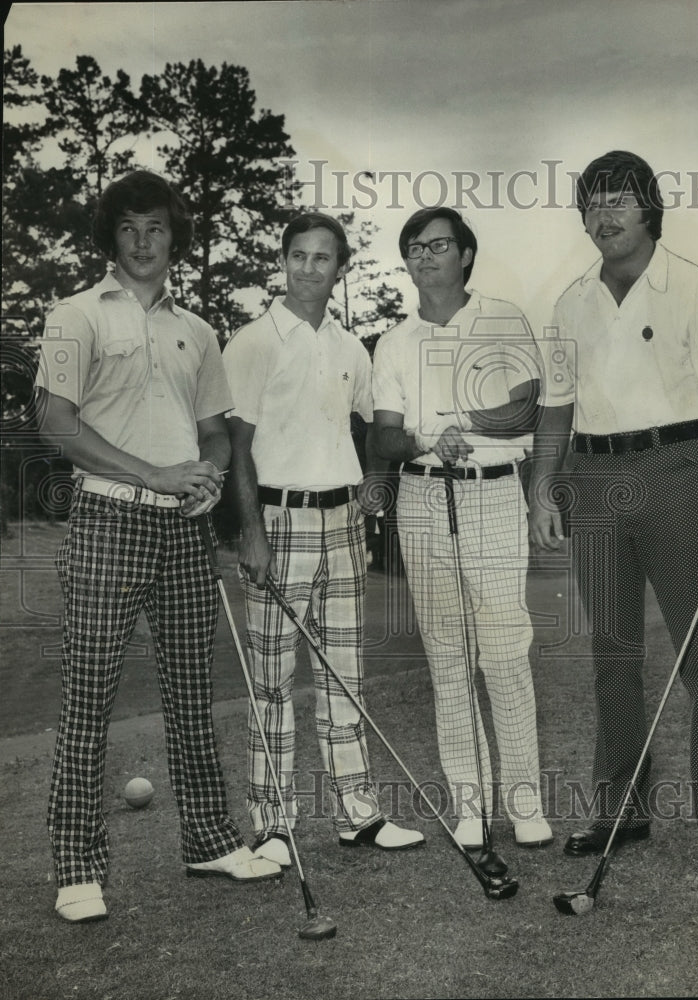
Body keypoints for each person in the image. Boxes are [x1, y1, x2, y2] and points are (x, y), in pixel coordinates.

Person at [35, 170, 281, 924]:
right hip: (109, 518)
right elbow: (55, 421)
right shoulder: (73, 315)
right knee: (90, 699)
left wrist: (205, 475)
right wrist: (156, 474)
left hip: (182, 528)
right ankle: (78, 866)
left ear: (176, 237)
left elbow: (212, 427)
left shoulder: (197, 330)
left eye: (158, 229)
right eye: (130, 228)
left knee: (189, 697)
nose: (144, 242)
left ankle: (208, 841)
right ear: (112, 236)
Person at [529, 150, 698, 869]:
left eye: (619, 200)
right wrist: (541, 486)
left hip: (677, 469)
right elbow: (556, 407)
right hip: (593, 478)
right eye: (592, 202)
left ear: (648, 208)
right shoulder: (569, 301)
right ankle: (620, 812)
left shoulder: (688, 285)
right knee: (612, 656)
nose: (604, 213)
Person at [221, 212, 424, 867]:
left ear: (340, 269)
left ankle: (358, 817)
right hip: (276, 523)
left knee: (344, 676)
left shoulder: (348, 347)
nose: (310, 268)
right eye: (299, 256)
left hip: (341, 524)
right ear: (283, 262)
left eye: (322, 258)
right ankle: (274, 824)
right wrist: (250, 533)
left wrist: (375, 482)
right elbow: (239, 450)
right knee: (274, 683)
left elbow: (374, 428)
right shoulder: (250, 343)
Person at [372, 206, 553, 850]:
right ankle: (469, 804)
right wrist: (426, 437)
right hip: (422, 500)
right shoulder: (393, 342)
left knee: (505, 653)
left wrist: (464, 427)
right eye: (414, 247)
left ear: (466, 254)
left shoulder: (503, 318)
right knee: (448, 659)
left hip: (494, 497)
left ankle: (525, 802)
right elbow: (384, 435)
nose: (425, 256)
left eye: (439, 244)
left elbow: (531, 405)